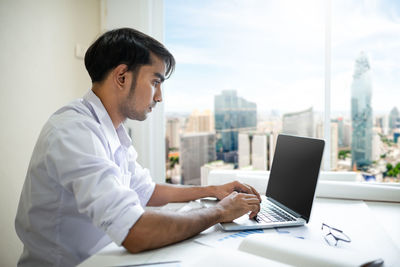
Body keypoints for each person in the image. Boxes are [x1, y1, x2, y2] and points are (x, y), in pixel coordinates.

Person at [15, 28, 261, 267]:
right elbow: (134, 231)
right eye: (155, 82)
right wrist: (220, 212)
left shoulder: (111, 130)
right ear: (122, 77)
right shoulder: (74, 131)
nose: (159, 96)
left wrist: (212, 190)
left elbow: (147, 191)